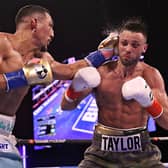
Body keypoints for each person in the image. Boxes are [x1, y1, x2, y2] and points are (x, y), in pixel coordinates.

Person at [0, 4, 118, 168]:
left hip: (5, 134)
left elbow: (71, 71)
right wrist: (24, 76)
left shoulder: (43, 59)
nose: (53, 34)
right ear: (34, 23)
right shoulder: (1, 43)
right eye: (50, 26)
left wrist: (106, 53)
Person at [61, 17, 168, 168]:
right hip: (100, 155)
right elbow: (66, 106)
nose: (128, 49)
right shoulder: (101, 73)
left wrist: (150, 102)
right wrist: (75, 86)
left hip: (142, 154)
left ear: (144, 48)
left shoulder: (151, 75)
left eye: (135, 45)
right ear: (118, 44)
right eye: (124, 43)